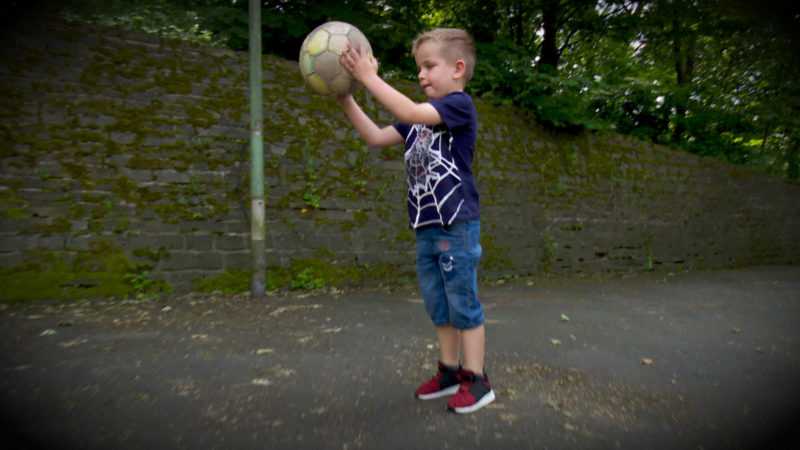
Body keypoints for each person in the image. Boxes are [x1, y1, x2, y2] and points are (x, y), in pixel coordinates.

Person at [337, 27, 495, 414]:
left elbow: (408, 109)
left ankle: (478, 381)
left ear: (458, 69)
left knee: (463, 302)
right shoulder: (417, 125)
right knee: (438, 304)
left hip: (456, 225)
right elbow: (375, 136)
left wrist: (370, 77)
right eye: (418, 67)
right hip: (427, 227)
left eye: (429, 66)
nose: (421, 74)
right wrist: (346, 98)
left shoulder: (459, 105)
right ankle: (450, 372)